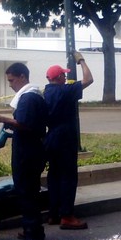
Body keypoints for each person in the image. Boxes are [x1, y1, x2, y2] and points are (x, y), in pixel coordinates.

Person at [0, 62, 47, 240]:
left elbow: (24, 123)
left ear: (22, 77)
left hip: (27, 152)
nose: (10, 84)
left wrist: (2, 119)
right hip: (32, 149)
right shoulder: (33, 95)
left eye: (12, 80)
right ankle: (32, 229)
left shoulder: (28, 98)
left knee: (27, 193)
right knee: (29, 192)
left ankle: (33, 238)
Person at [43, 51, 93, 229]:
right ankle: (67, 216)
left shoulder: (45, 93)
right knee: (68, 177)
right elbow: (88, 79)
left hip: (51, 137)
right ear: (59, 78)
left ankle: (53, 213)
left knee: (54, 176)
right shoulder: (65, 91)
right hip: (65, 137)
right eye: (63, 75)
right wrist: (81, 60)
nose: (65, 77)